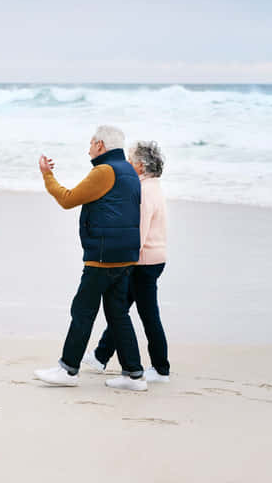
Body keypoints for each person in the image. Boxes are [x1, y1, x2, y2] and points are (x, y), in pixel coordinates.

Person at [33, 125, 147, 391]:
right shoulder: (129, 170)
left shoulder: (104, 171)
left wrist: (47, 175)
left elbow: (68, 199)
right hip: (126, 254)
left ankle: (68, 369)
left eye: (91, 144)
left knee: (83, 310)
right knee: (118, 314)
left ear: (100, 145)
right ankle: (134, 375)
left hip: (103, 256)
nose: (88, 150)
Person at [86, 141, 170, 382]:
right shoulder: (153, 186)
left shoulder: (144, 192)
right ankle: (100, 356)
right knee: (120, 310)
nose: (127, 164)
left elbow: (139, 231)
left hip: (143, 261)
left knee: (146, 314)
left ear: (140, 166)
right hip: (152, 259)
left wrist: (126, 259)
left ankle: (161, 369)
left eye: (130, 160)